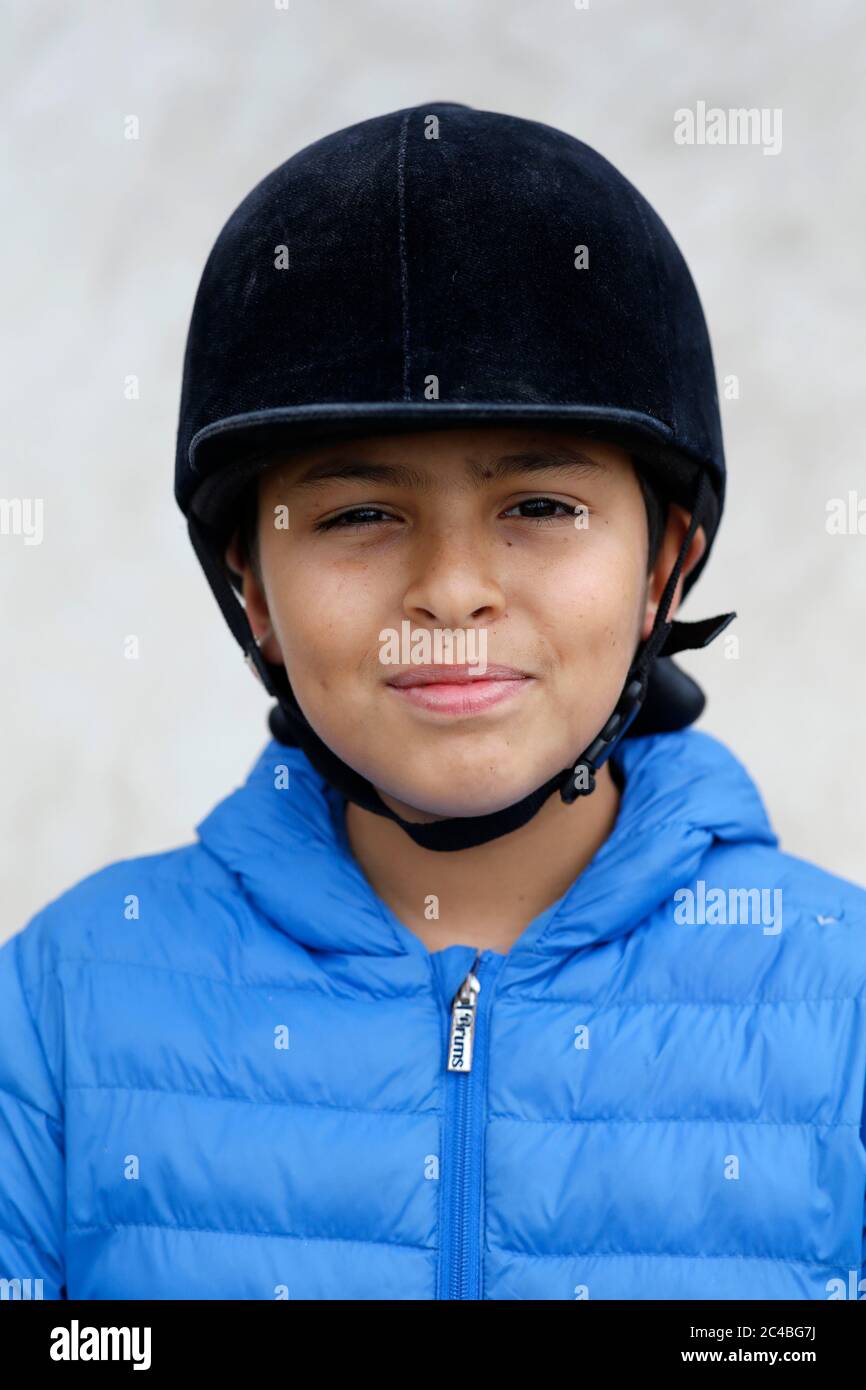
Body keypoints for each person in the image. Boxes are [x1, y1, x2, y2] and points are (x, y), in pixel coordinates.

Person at [1, 102, 864, 1302]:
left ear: (665, 560)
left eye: (539, 507)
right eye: (358, 513)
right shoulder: (53, 1009)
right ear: (248, 579)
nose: (450, 590)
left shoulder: (846, 1006)